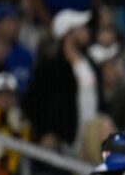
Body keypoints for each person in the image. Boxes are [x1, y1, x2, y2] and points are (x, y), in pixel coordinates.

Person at [24, 9, 96, 150]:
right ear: (68, 34)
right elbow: (32, 103)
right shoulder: (51, 68)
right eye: (81, 27)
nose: (87, 30)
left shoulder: (90, 64)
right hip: (66, 145)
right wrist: (48, 131)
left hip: (90, 143)